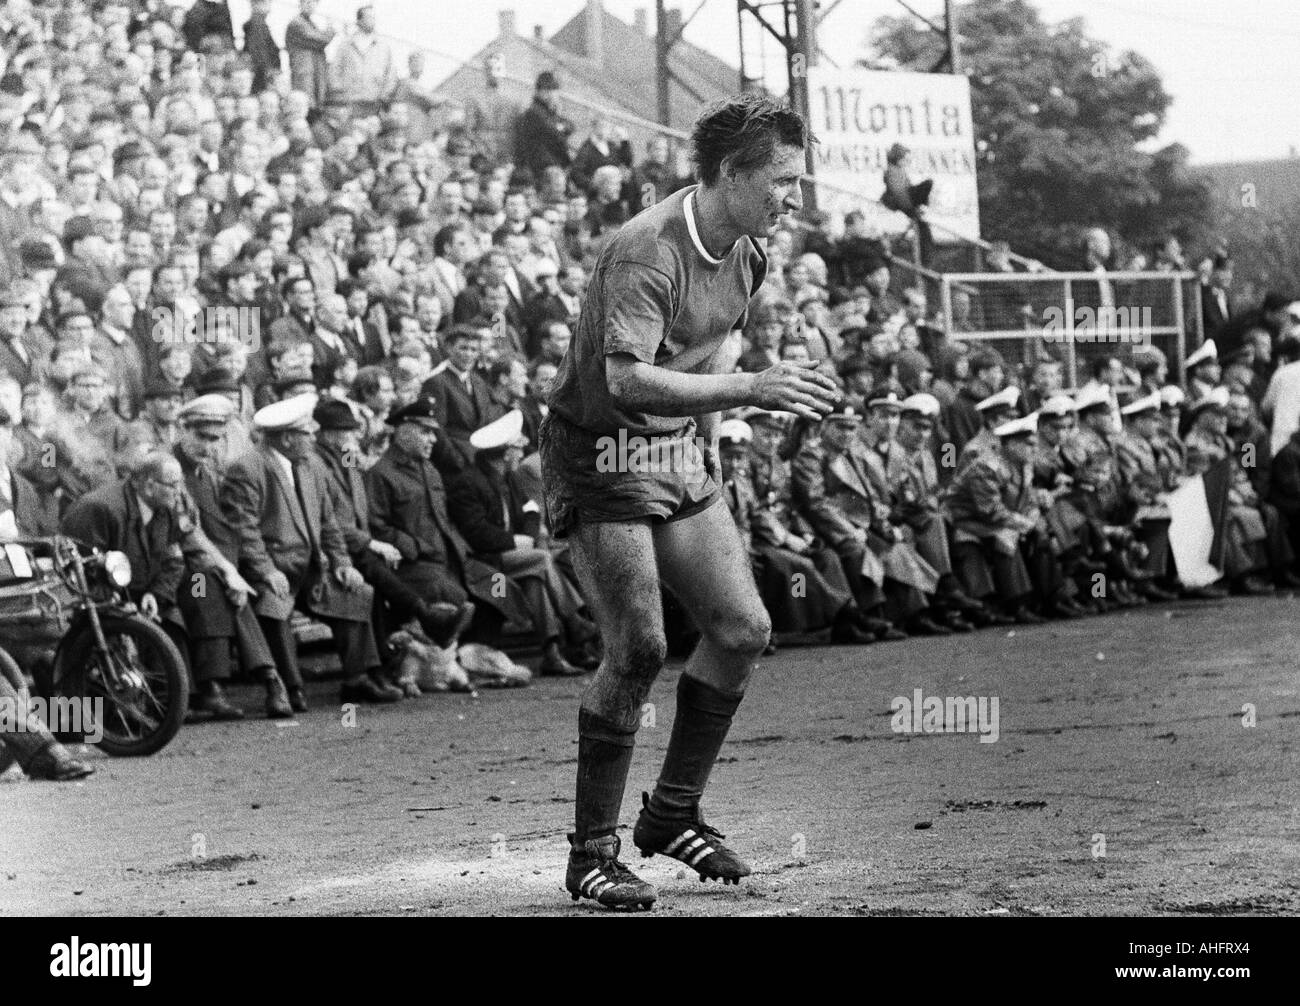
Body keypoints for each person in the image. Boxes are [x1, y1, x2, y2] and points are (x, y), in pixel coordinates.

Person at [540, 95, 840, 909]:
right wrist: (751, 390)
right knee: (637, 648)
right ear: (728, 173)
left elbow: (715, 344)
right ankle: (591, 855)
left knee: (743, 628)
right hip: (601, 457)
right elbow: (625, 378)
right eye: (780, 180)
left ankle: (671, 816)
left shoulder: (748, 251)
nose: (792, 197)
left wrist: (708, 437)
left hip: (674, 450)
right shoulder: (646, 251)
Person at [220, 393, 391, 709]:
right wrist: (267, 571)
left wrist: (341, 562)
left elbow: (328, 522)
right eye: (306, 433)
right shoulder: (247, 468)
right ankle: (288, 687)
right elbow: (245, 532)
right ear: (286, 438)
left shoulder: (312, 465)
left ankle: (357, 679)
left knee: (357, 590)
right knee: (274, 607)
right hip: (272, 567)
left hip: (311, 567)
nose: (314, 437)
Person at [173, 394, 292, 719]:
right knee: (207, 588)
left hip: (216, 563)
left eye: (216, 440)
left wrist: (239, 571)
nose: (209, 447)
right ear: (182, 429)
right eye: (202, 437)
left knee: (253, 589)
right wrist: (227, 572)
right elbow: (186, 536)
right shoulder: (171, 472)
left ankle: (277, 679)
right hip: (179, 568)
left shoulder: (206, 474)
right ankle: (223, 686)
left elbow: (224, 530)